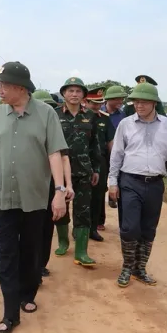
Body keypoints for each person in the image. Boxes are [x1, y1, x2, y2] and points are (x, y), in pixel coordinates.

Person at [0, 62, 68, 333]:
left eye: (4, 85)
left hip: (34, 197)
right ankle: (10, 312)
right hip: (4, 197)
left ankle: (28, 293)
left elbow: (55, 153)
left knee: (31, 251)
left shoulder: (46, 114)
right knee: (6, 252)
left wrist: (60, 192)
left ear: (20, 88)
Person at [109, 82, 167, 288]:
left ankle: (140, 268)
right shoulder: (126, 124)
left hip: (154, 184)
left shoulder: (166, 125)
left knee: (148, 228)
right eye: (136, 101)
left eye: (144, 102)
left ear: (154, 103)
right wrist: (112, 182)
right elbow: (116, 154)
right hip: (129, 181)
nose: (139, 105)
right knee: (129, 227)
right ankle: (127, 266)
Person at [53, 77, 101, 267]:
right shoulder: (54, 115)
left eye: (78, 91)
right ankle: (63, 242)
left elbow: (95, 145)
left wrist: (96, 168)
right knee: (61, 209)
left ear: (83, 95)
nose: (74, 95)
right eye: (70, 91)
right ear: (63, 93)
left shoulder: (90, 116)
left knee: (83, 211)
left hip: (83, 171)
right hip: (59, 173)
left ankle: (81, 251)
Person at [31, 90, 74, 279]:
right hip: (28, 185)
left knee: (46, 228)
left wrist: (67, 185)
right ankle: (28, 266)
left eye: (50, 106)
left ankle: (40, 264)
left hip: (49, 185)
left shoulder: (54, 127)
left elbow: (64, 158)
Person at [86, 87, 115, 241]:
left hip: (100, 160)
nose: (96, 106)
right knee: (82, 196)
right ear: (86, 102)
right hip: (82, 160)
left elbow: (110, 142)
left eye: (99, 103)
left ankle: (93, 227)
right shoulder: (81, 117)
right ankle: (80, 228)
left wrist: (114, 161)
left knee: (98, 195)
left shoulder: (104, 118)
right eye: (93, 103)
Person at [101, 85, 127, 209]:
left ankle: (113, 198)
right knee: (100, 183)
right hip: (102, 152)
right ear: (108, 99)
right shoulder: (99, 113)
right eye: (117, 99)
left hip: (118, 152)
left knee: (118, 179)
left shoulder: (123, 115)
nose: (120, 102)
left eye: (122, 99)